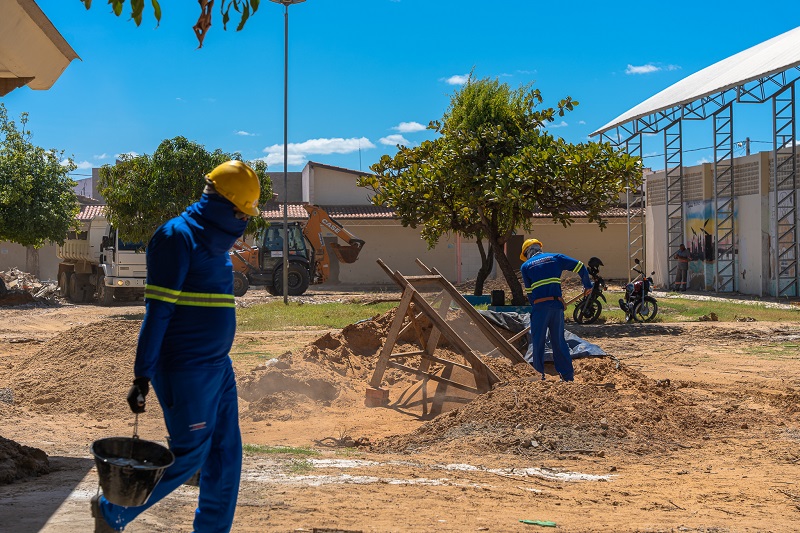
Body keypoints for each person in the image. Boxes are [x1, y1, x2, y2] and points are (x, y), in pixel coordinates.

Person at [91, 160, 261, 533]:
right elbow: (158, 312)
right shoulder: (176, 237)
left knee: (225, 456)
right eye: (240, 213)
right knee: (190, 455)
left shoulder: (217, 244)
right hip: (185, 368)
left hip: (218, 367)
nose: (242, 222)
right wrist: (142, 375)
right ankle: (112, 510)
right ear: (221, 204)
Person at [519, 238, 592, 382]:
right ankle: (567, 377)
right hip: (556, 306)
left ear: (527, 253)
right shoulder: (556, 258)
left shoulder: (525, 266)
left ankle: (538, 377)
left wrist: (539, 308)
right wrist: (587, 285)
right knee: (558, 341)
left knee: (538, 342)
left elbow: (530, 294)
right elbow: (580, 266)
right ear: (539, 248)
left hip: (540, 307)